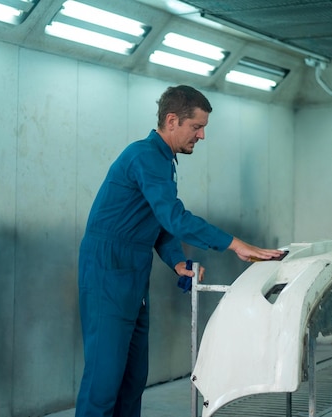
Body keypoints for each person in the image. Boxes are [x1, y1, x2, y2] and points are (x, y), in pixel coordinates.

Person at [75, 85, 283, 417]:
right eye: (196, 127)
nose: (201, 136)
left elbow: (159, 221)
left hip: (132, 273)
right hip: (107, 272)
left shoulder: (163, 160)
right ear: (172, 120)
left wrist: (177, 262)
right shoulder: (144, 155)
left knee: (132, 378)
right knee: (104, 380)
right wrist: (234, 244)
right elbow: (174, 217)